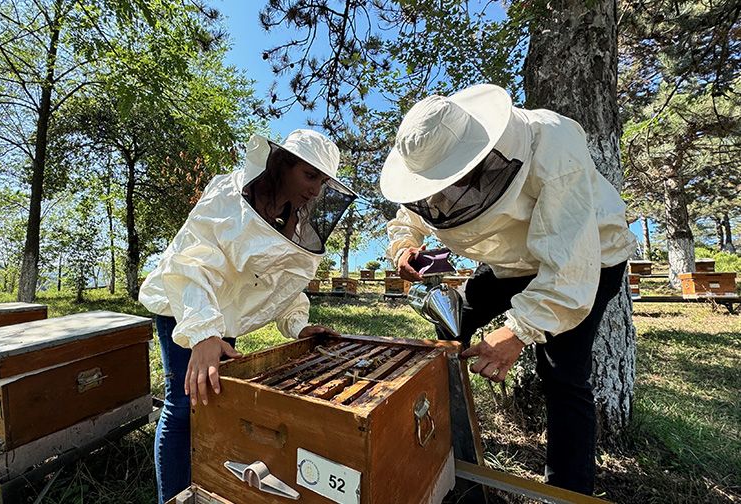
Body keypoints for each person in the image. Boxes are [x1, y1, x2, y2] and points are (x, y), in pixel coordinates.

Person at [381, 84, 637, 494]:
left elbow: (569, 268)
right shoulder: (436, 171)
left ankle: (569, 493)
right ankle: (442, 434)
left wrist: (517, 332)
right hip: (511, 263)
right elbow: (410, 211)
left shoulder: (553, 144)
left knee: (563, 374)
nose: (443, 195)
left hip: (589, 257)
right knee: (454, 320)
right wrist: (404, 247)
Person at [139, 129, 357, 503]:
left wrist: (298, 325)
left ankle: (209, 487)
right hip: (186, 306)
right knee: (183, 407)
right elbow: (193, 262)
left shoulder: (295, 219)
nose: (317, 190)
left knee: (213, 404)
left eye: (323, 181)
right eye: (310, 175)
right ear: (282, 165)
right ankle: (173, 497)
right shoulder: (228, 194)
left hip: (224, 320)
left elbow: (280, 283)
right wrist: (204, 333)